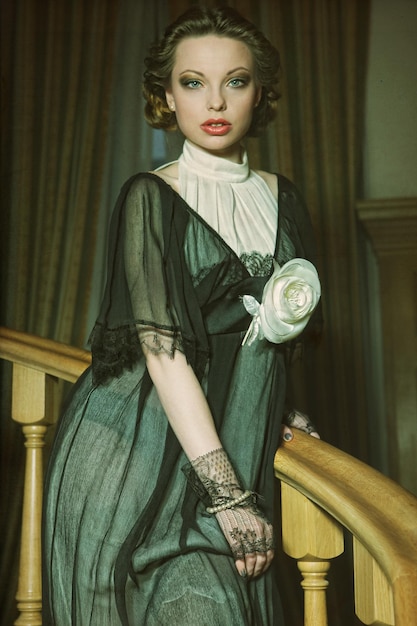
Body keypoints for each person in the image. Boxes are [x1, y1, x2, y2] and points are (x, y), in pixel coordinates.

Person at [42, 6, 321, 625]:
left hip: (234, 436)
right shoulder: (150, 195)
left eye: (236, 81)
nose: (215, 100)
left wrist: (284, 408)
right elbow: (163, 356)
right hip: (136, 452)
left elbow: (270, 340)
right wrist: (226, 494)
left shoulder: (287, 197)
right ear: (166, 96)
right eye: (193, 82)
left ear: (260, 93)